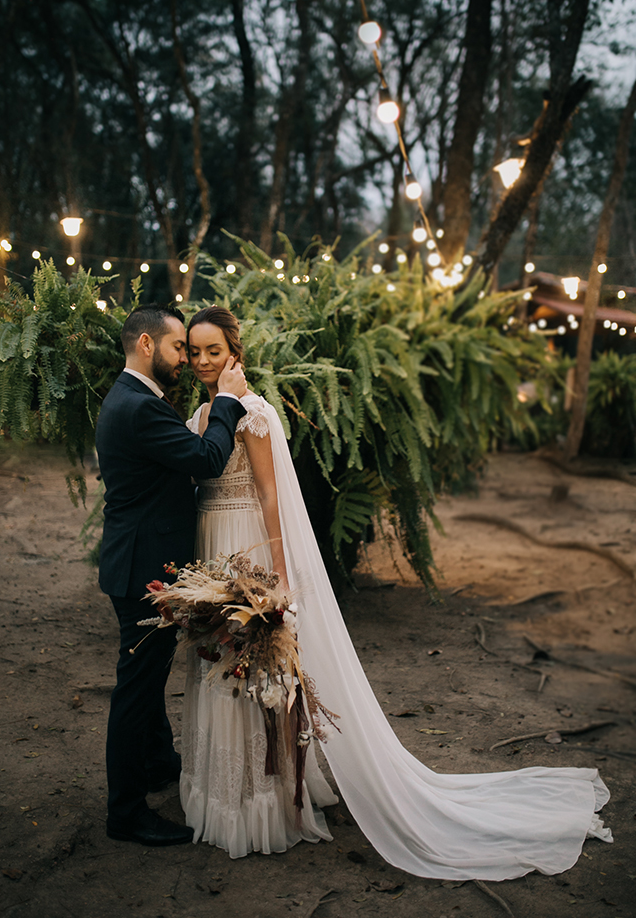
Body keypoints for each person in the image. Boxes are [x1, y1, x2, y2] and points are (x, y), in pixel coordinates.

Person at [180, 305, 612, 879]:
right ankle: (220, 791)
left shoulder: (253, 413)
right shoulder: (199, 413)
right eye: (195, 350)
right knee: (216, 667)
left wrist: (278, 578)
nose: (204, 361)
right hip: (213, 544)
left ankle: (260, 804)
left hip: (249, 547)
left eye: (214, 349)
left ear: (234, 349)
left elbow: (270, 499)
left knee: (256, 673)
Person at [95, 303, 248, 847]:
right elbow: (207, 459)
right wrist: (228, 402)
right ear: (145, 346)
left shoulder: (128, 398)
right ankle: (126, 813)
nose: (185, 356)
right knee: (136, 690)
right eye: (178, 346)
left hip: (132, 562)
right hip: (141, 570)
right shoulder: (141, 407)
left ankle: (159, 763)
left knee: (148, 676)